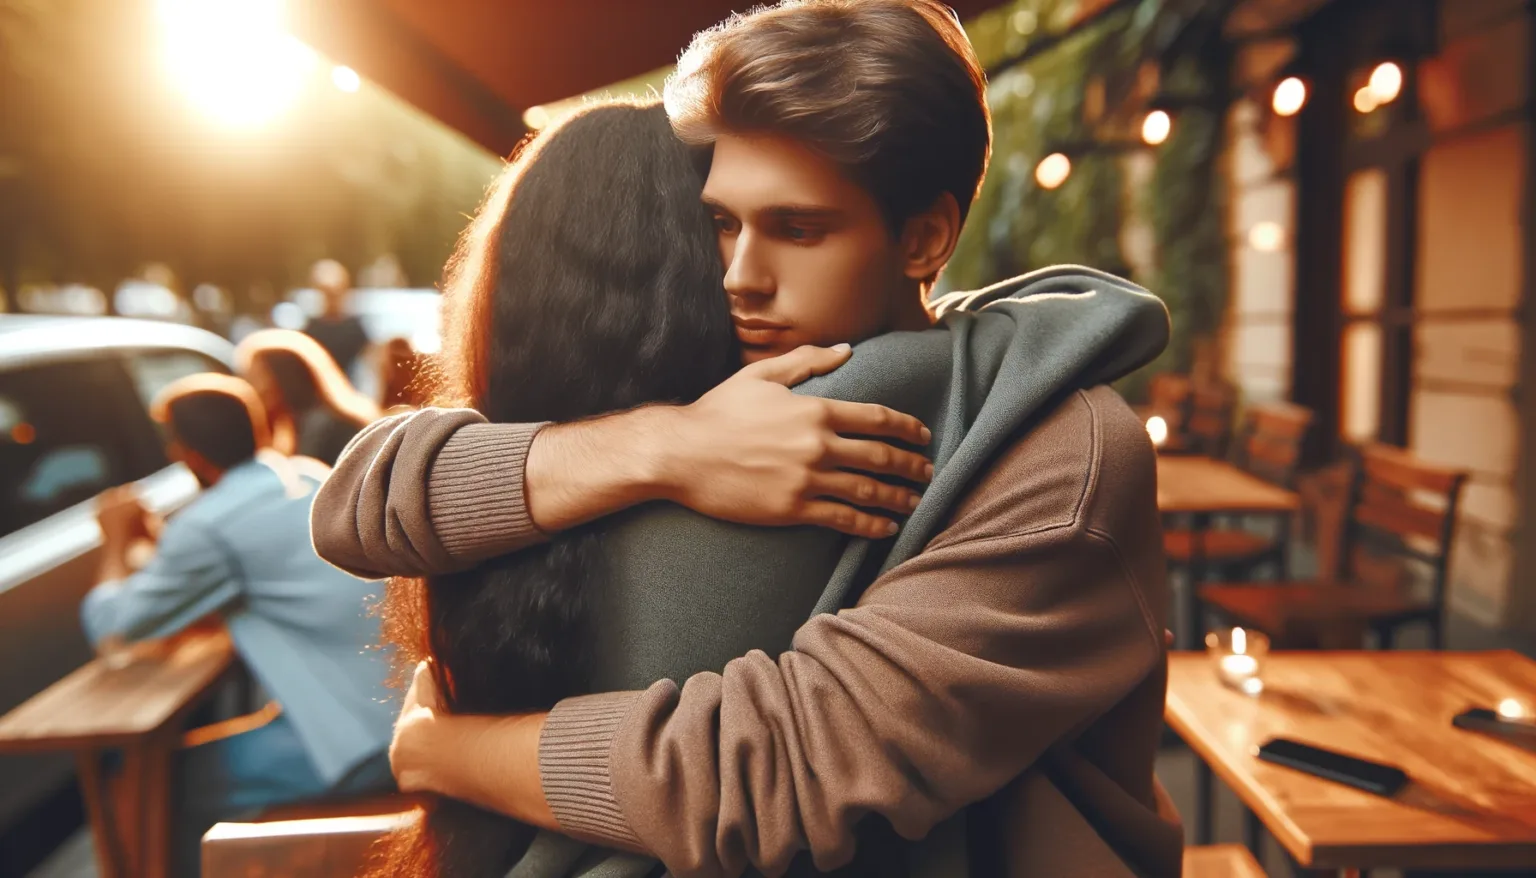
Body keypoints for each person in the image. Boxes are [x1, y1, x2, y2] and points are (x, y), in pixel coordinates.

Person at [315, 4, 1182, 878]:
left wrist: (443, 754)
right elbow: (358, 508)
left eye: (798, 230)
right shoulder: (724, 385)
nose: (741, 278)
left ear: (926, 238)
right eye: (722, 223)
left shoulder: (1065, 453)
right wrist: (667, 447)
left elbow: (784, 774)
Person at [82, 373, 395, 877]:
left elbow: (112, 625)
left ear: (186, 454)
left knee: (142, 781)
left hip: (358, 742)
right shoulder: (308, 476)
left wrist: (117, 538)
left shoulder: (209, 525)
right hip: (401, 709)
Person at [235, 329, 380, 466]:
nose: (250, 388)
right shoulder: (293, 428)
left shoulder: (334, 429)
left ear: (284, 378)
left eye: (255, 378)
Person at [302, 258, 371, 376]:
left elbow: (369, 362)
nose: (331, 298)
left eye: (335, 292)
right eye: (327, 293)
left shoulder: (354, 328)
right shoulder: (311, 329)